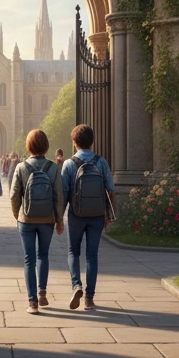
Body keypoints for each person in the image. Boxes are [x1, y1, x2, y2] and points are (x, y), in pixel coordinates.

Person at [10, 129, 64, 314]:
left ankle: (32, 302)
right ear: (46, 145)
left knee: (29, 259)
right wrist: (59, 220)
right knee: (43, 255)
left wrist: (18, 215)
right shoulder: (52, 168)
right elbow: (59, 195)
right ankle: (42, 293)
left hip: (27, 219)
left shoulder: (21, 167)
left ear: (28, 146)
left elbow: (14, 195)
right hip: (47, 218)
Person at [61, 124, 115, 311]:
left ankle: (77, 285)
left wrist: (59, 218)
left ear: (74, 142)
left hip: (76, 214)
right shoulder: (101, 162)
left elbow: (64, 193)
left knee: (73, 252)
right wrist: (110, 214)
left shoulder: (69, 164)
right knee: (92, 256)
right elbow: (110, 189)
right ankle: (89, 299)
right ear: (92, 142)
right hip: (96, 214)